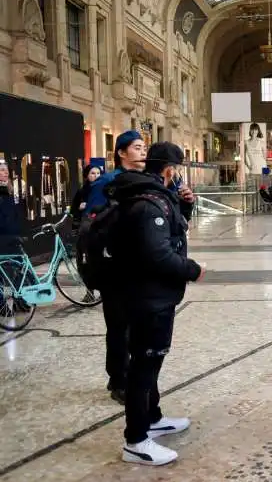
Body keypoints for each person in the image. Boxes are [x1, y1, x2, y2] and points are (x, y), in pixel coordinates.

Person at [110, 142, 203, 466]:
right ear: (169, 170)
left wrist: (185, 206)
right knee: (144, 366)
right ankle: (135, 440)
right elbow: (158, 254)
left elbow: (173, 234)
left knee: (150, 362)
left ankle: (152, 418)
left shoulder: (154, 195)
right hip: (148, 298)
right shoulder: (149, 203)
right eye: (176, 170)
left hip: (153, 296)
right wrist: (193, 270)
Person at [86, 130, 147, 404]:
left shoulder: (147, 180)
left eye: (144, 146)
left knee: (139, 325)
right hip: (115, 265)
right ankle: (118, 379)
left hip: (140, 263)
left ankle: (136, 375)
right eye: (136, 147)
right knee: (118, 326)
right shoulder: (108, 183)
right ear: (122, 152)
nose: (143, 151)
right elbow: (94, 221)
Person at [70, 165, 102, 233]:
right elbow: (73, 210)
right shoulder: (82, 191)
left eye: (98, 173)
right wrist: (79, 208)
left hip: (102, 223)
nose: (96, 176)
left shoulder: (105, 189)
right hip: (86, 225)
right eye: (93, 173)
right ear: (87, 175)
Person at [0, 161, 21, 255]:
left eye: (7, 170)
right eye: (2, 170)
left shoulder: (9, 187)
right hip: (3, 232)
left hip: (12, 230)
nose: (6, 173)